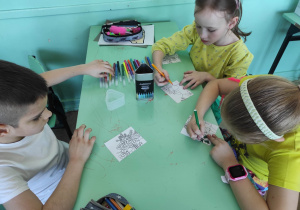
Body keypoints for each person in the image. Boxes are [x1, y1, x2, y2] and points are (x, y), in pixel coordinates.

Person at [0, 59, 114, 209]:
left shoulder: (18, 103)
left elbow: (43, 79)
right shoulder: (3, 171)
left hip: (72, 157)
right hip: (57, 194)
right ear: (3, 130)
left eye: (45, 107)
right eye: (36, 117)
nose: (48, 114)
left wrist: (84, 68)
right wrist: (76, 160)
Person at [187, 75, 300, 209]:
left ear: (274, 139)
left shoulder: (291, 155)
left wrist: (229, 163)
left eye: (236, 133)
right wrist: (197, 115)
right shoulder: (262, 89)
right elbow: (216, 84)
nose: (226, 129)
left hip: (252, 176)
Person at [152, 0, 253, 89]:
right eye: (198, 25)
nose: (202, 35)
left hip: (213, 103)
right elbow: (161, 45)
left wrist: (206, 76)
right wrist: (158, 69)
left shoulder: (239, 55)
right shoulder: (195, 30)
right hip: (190, 88)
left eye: (211, 29)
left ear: (231, 23)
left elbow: (230, 90)